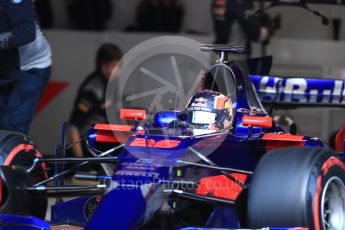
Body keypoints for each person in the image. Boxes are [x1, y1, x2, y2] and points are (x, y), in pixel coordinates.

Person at [0, 0, 52, 135]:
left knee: (12, 126)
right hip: (5, 69)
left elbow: (27, 32)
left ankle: (17, 155)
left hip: (31, 67)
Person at [69, 44, 122, 157]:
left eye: (114, 65)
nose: (111, 70)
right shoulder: (92, 90)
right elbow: (73, 127)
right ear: (99, 65)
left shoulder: (113, 83)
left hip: (105, 140)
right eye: (107, 65)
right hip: (89, 144)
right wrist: (81, 162)